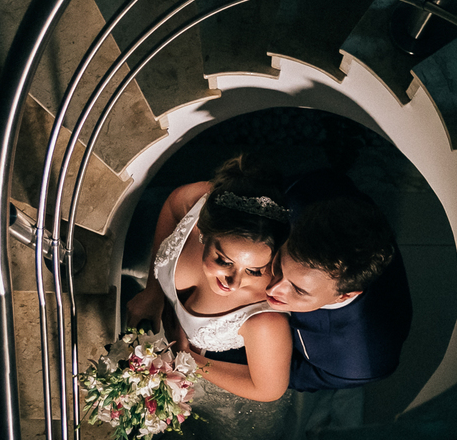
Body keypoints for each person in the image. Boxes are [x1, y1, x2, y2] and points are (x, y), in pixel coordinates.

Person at [125, 155, 293, 402]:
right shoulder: (204, 200)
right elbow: (172, 205)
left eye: (254, 270)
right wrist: (153, 293)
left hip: (201, 384)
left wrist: (187, 356)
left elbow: (268, 390)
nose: (233, 282)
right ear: (203, 230)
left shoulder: (266, 319)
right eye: (224, 260)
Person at [272, 168, 413, 391]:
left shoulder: (358, 364)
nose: (272, 288)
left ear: (344, 296)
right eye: (279, 266)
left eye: (299, 290)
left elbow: (281, 377)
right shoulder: (305, 192)